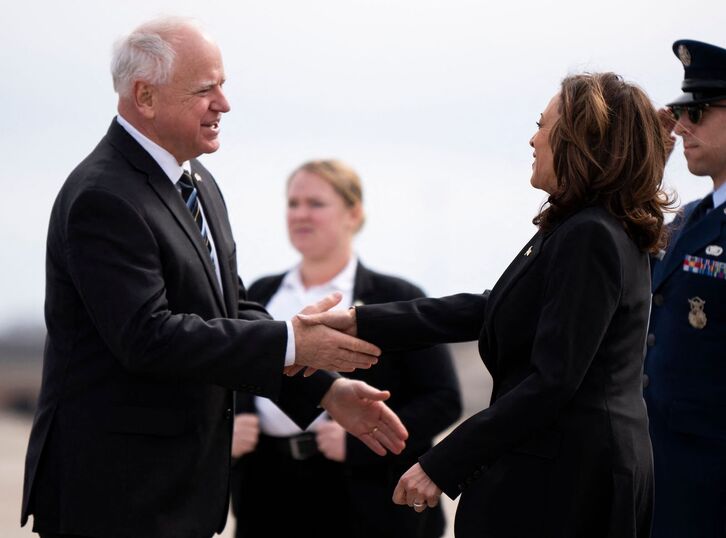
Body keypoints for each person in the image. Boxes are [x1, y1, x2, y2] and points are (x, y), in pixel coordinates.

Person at [20, 17, 408, 538]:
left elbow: (230, 311)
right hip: (115, 497)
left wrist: (322, 389)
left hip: (183, 494)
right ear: (145, 96)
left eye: (223, 85)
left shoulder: (197, 181)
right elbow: (147, 338)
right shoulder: (104, 197)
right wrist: (293, 343)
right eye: (206, 89)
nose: (224, 104)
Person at [302, 72, 671, 538]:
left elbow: (553, 382)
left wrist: (441, 463)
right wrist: (359, 322)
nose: (533, 139)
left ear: (582, 140)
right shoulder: (581, 227)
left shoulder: (590, 235)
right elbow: (490, 308)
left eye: (543, 125)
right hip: (563, 470)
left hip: (570, 484)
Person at [229, 159, 462, 538]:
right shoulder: (259, 295)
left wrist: (359, 444)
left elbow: (443, 399)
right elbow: (232, 372)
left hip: (368, 497)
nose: (300, 214)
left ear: (353, 213)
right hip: (267, 489)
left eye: (315, 204)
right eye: (293, 203)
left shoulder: (396, 299)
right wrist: (231, 432)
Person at [644, 39, 726, 538]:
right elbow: (625, 258)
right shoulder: (691, 219)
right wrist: (649, 166)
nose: (681, 126)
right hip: (666, 482)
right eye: (678, 111)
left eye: (696, 110)